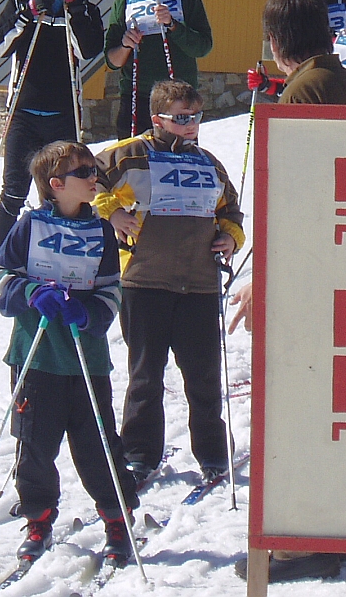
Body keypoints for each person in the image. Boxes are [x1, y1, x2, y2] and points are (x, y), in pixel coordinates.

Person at [231, 0, 346, 585]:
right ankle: (331, 531)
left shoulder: (302, 92)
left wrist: (265, 276)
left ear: (276, 43)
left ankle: (300, 543)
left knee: (299, 409)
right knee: (334, 406)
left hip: (313, 272)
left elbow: (296, 194)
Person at [0, 141, 139, 567]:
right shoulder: (30, 226)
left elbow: (111, 290)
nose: (95, 178)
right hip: (36, 356)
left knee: (98, 445)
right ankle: (38, 520)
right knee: (34, 444)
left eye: (94, 170)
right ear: (56, 185)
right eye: (84, 172)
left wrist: (88, 314)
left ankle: (117, 519)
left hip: (85, 358)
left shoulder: (101, 230)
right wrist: (30, 292)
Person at [93, 80, 244, 491]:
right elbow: (89, 181)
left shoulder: (208, 163)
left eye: (196, 117)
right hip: (145, 279)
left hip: (199, 283)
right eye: (180, 118)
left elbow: (231, 210)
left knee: (203, 376)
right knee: (145, 375)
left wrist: (230, 237)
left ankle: (213, 453)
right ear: (157, 118)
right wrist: (111, 213)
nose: (190, 125)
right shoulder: (131, 153)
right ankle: (140, 454)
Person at [0, 0, 105, 257]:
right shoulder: (20, 1)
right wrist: (27, 14)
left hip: (62, 115)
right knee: (14, 191)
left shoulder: (86, 8)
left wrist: (74, 8)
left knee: (62, 192)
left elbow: (88, 50)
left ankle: (55, 256)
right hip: (24, 113)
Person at [104, 0, 214, 139]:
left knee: (178, 155)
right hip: (136, 97)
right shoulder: (124, 0)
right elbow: (112, 61)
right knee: (134, 157)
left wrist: (173, 25)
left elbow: (203, 47)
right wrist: (126, 45)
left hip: (178, 99)